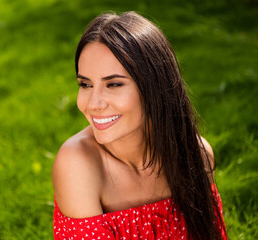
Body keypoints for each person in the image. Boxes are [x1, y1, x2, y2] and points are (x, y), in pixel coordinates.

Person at [52, 11, 227, 240]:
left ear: (154, 87)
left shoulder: (196, 156)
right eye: (85, 84)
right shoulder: (77, 164)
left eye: (113, 84)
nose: (93, 104)